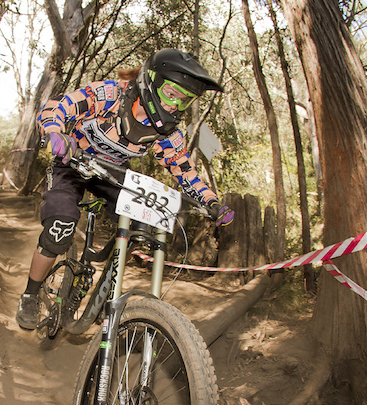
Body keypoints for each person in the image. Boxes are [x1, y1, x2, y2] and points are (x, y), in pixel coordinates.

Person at [16, 48, 235, 330]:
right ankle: (30, 295)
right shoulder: (110, 95)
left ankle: (106, 290)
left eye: (184, 100)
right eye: (171, 94)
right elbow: (59, 105)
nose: (174, 106)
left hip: (112, 174)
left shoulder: (167, 132)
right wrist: (55, 132)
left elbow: (184, 170)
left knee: (142, 223)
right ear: (151, 81)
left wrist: (211, 202)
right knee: (61, 226)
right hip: (73, 162)